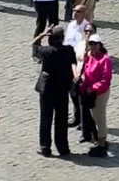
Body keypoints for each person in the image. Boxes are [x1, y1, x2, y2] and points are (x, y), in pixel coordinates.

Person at [35, 22, 76, 158]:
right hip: (62, 88)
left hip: (47, 89)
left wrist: (42, 34)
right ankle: (63, 147)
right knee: (61, 118)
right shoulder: (69, 50)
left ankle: (45, 147)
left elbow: (34, 45)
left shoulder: (46, 51)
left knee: (46, 118)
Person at [78, 36, 112, 156]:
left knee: (100, 118)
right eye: (91, 43)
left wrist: (92, 88)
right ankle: (101, 141)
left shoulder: (105, 60)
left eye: (95, 44)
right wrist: (83, 86)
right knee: (95, 117)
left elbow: (105, 80)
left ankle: (102, 145)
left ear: (100, 45)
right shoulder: (89, 56)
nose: (93, 46)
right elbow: (86, 73)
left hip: (100, 93)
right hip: (90, 92)